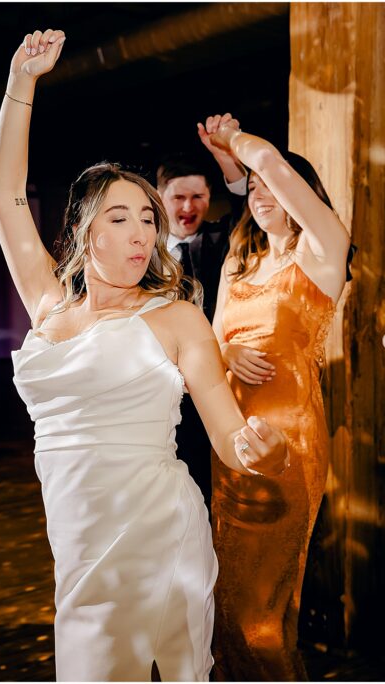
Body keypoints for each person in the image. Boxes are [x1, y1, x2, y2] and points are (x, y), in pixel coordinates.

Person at [0, 29, 289, 681]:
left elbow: (227, 434)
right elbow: (3, 196)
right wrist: (21, 84)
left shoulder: (177, 318)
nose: (140, 233)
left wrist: (262, 452)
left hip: (158, 526)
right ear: (82, 230)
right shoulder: (49, 305)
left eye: (148, 219)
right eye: (120, 218)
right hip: (77, 535)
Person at [204, 116, 352, 680]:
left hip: (289, 441)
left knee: (265, 603)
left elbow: (266, 159)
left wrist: (234, 144)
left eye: (271, 185)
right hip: (230, 437)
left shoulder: (323, 250)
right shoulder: (239, 261)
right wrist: (225, 353)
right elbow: (210, 341)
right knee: (228, 589)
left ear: (301, 193)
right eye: (254, 189)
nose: (261, 194)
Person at [158, 118, 247, 510]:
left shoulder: (221, 240)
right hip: (158, 387)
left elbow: (246, 207)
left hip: (213, 385)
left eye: (198, 196)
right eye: (178, 197)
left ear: (210, 197)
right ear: (159, 197)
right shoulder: (141, 251)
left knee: (206, 490)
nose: (188, 207)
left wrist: (225, 157)